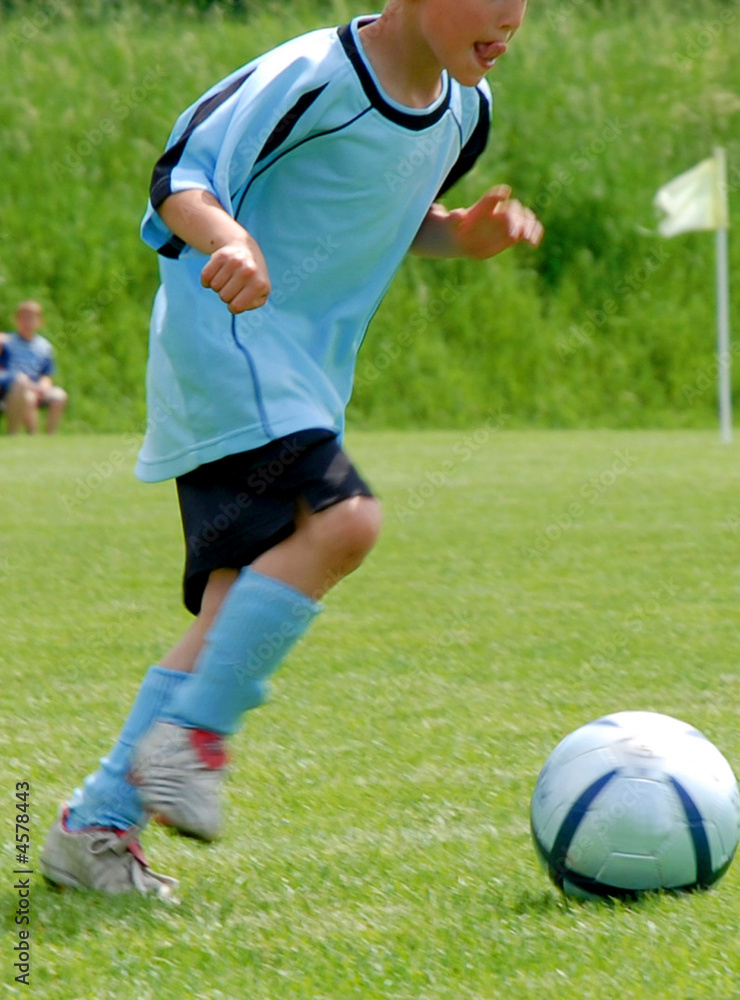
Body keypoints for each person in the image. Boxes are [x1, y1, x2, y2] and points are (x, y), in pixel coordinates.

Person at [41, 0, 542, 899]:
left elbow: (395, 205)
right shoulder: (309, 75)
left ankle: (96, 826)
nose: (511, 17)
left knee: (231, 609)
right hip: (229, 338)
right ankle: (191, 742)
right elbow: (180, 176)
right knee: (346, 521)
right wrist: (230, 239)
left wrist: (459, 235)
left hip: (302, 377)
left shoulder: (468, 108)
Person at [0, 300, 68, 434]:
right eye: (23, 318)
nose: (27, 322)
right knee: (28, 397)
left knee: (59, 395)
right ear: (16, 320)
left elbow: (46, 374)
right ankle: (33, 434)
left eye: (32, 318)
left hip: (37, 386)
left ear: (40, 321)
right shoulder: (8, 342)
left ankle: (51, 435)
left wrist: (43, 387)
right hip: (15, 388)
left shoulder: (44, 346)